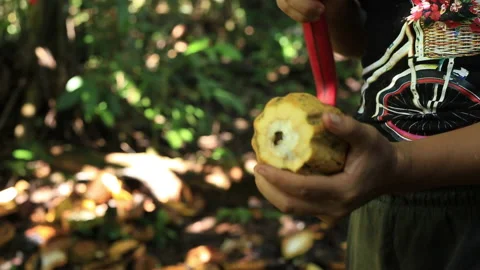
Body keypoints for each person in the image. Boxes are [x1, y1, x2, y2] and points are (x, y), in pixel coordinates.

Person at [253, 0, 480, 269]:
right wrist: (333, 8)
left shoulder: (394, 166)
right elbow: (365, 39)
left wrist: (401, 164)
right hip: (378, 192)